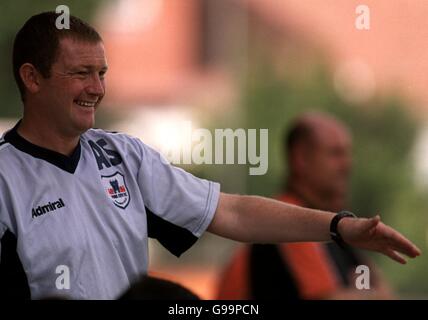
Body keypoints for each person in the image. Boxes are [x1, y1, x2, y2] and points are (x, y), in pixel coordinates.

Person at [0, 12, 420, 300]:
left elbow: (232, 213)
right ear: (31, 78)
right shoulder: (6, 177)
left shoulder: (122, 155)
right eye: (80, 74)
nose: (97, 88)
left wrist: (340, 226)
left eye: (102, 73)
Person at [216, 113, 394, 299]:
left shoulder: (336, 225)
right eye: (335, 153)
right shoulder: (290, 222)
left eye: (348, 153)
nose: (347, 164)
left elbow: (381, 289)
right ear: (301, 159)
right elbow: (326, 297)